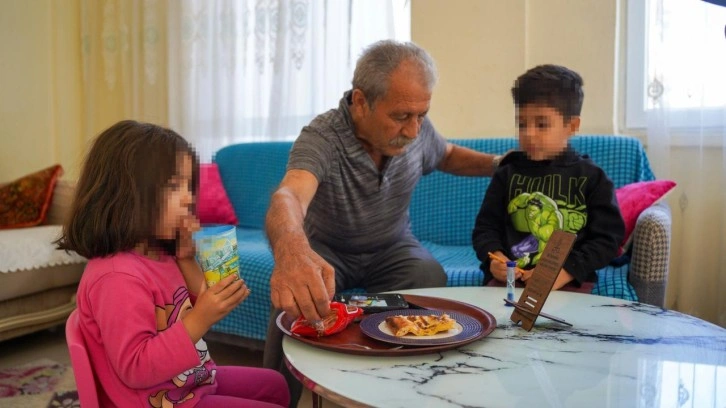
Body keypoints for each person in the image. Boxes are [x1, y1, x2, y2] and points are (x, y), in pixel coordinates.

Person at [263, 40, 501, 404]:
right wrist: (292, 253)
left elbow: (447, 154)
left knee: (427, 276)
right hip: (328, 250)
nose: (414, 130)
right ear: (361, 102)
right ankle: (273, 398)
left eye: (422, 115)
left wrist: (500, 165)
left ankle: (404, 393)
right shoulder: (323, 137)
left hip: (392, 248)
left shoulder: (417, 128)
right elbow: (290, 195)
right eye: (402, 116)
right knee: (295, 298)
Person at [57, 120, 290, 407]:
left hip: (188, 382)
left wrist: (187, 258)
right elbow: (136, 368)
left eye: (188, 186)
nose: (188, 198)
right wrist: (202, 317)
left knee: (275, 385)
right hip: (159, 400)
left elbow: (188, 306)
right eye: (173, 186)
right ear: (127, 194)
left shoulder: (159, 253)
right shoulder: (116, 277)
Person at [472, 64, 624, 292]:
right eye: (522, 124)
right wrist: (495, 258)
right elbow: (485, 228)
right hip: (508, 282)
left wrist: (566, 272)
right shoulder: (507, 173)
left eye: (542, 124)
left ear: (572, 126)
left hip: (566, 282)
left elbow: (607, 240)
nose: (529, 134)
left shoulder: (592, 177)